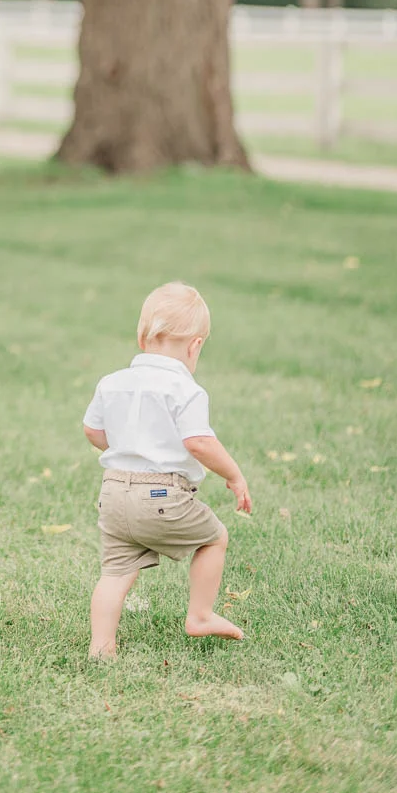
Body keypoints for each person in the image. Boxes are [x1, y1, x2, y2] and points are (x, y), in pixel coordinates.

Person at [82, 282, 251, 660]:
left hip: (112, 494)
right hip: (162, 496)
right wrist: (234, 474)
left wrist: (125, 448)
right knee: (214, 539)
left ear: (142, 336)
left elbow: (92, 431)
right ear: (195, 346)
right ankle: (201, 614)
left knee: (115, 573)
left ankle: (101, 648)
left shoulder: (112, 382)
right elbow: (199, 442)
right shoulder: (185, 389)